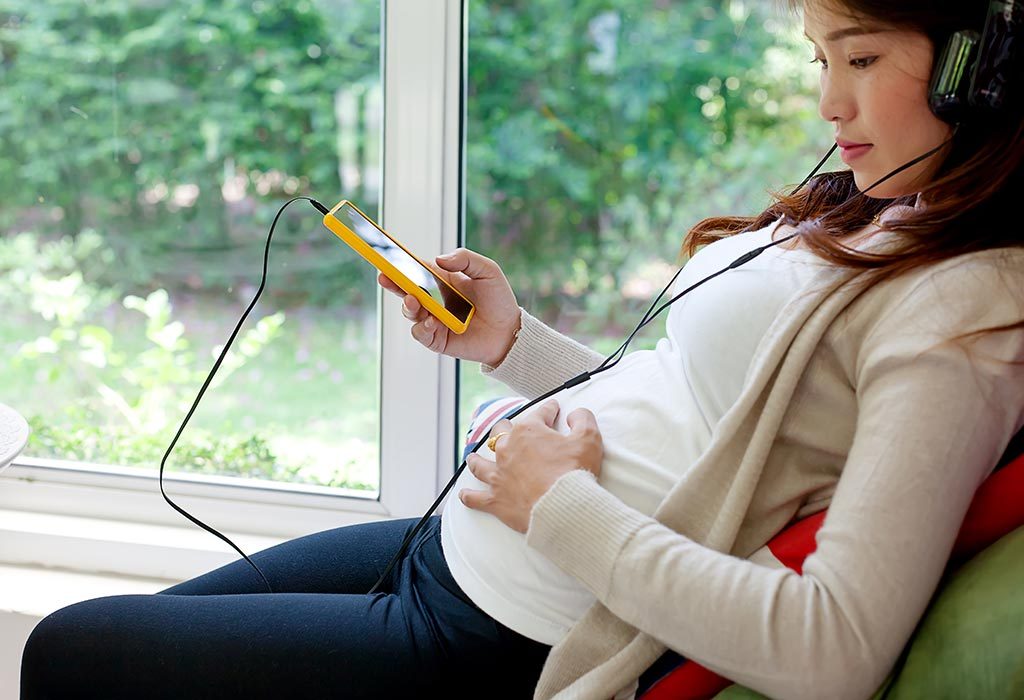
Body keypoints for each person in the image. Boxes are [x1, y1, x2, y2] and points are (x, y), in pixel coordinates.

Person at [21, 0, 1024, 698]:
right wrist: (511, 344)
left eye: (858, 59)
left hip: (498, 636)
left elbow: (834, 650)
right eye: (818, 59)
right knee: (115, 636)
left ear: (973, 72)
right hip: (453, 553)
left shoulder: (964, 316)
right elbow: (701, 411)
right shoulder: (889, 206)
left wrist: (560, 504)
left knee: (72, 655)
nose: (826, 104)